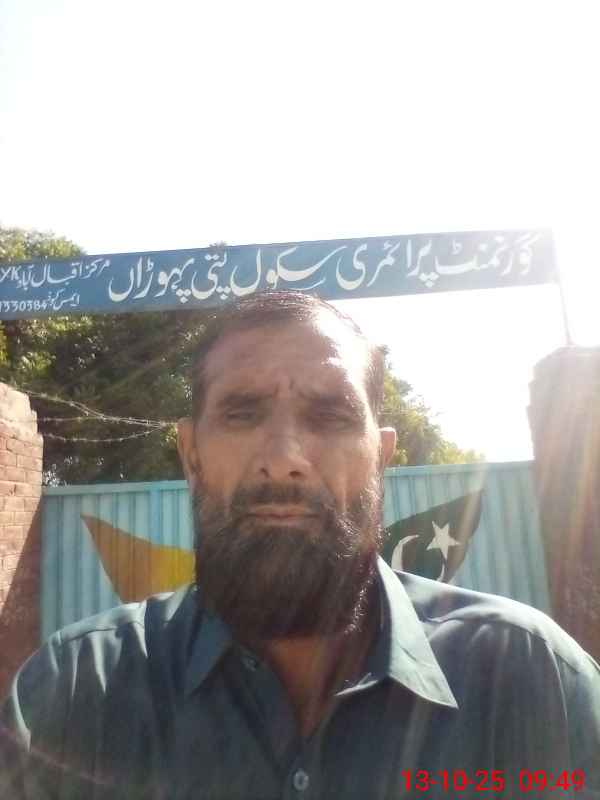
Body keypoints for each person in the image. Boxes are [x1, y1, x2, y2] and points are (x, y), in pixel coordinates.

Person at [1, 290, 599, 800]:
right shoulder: (72, 693)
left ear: (381, 457)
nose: (284, 459)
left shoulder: (532, 679)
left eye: (330, 416)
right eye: (242, 414)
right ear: (191, 455)